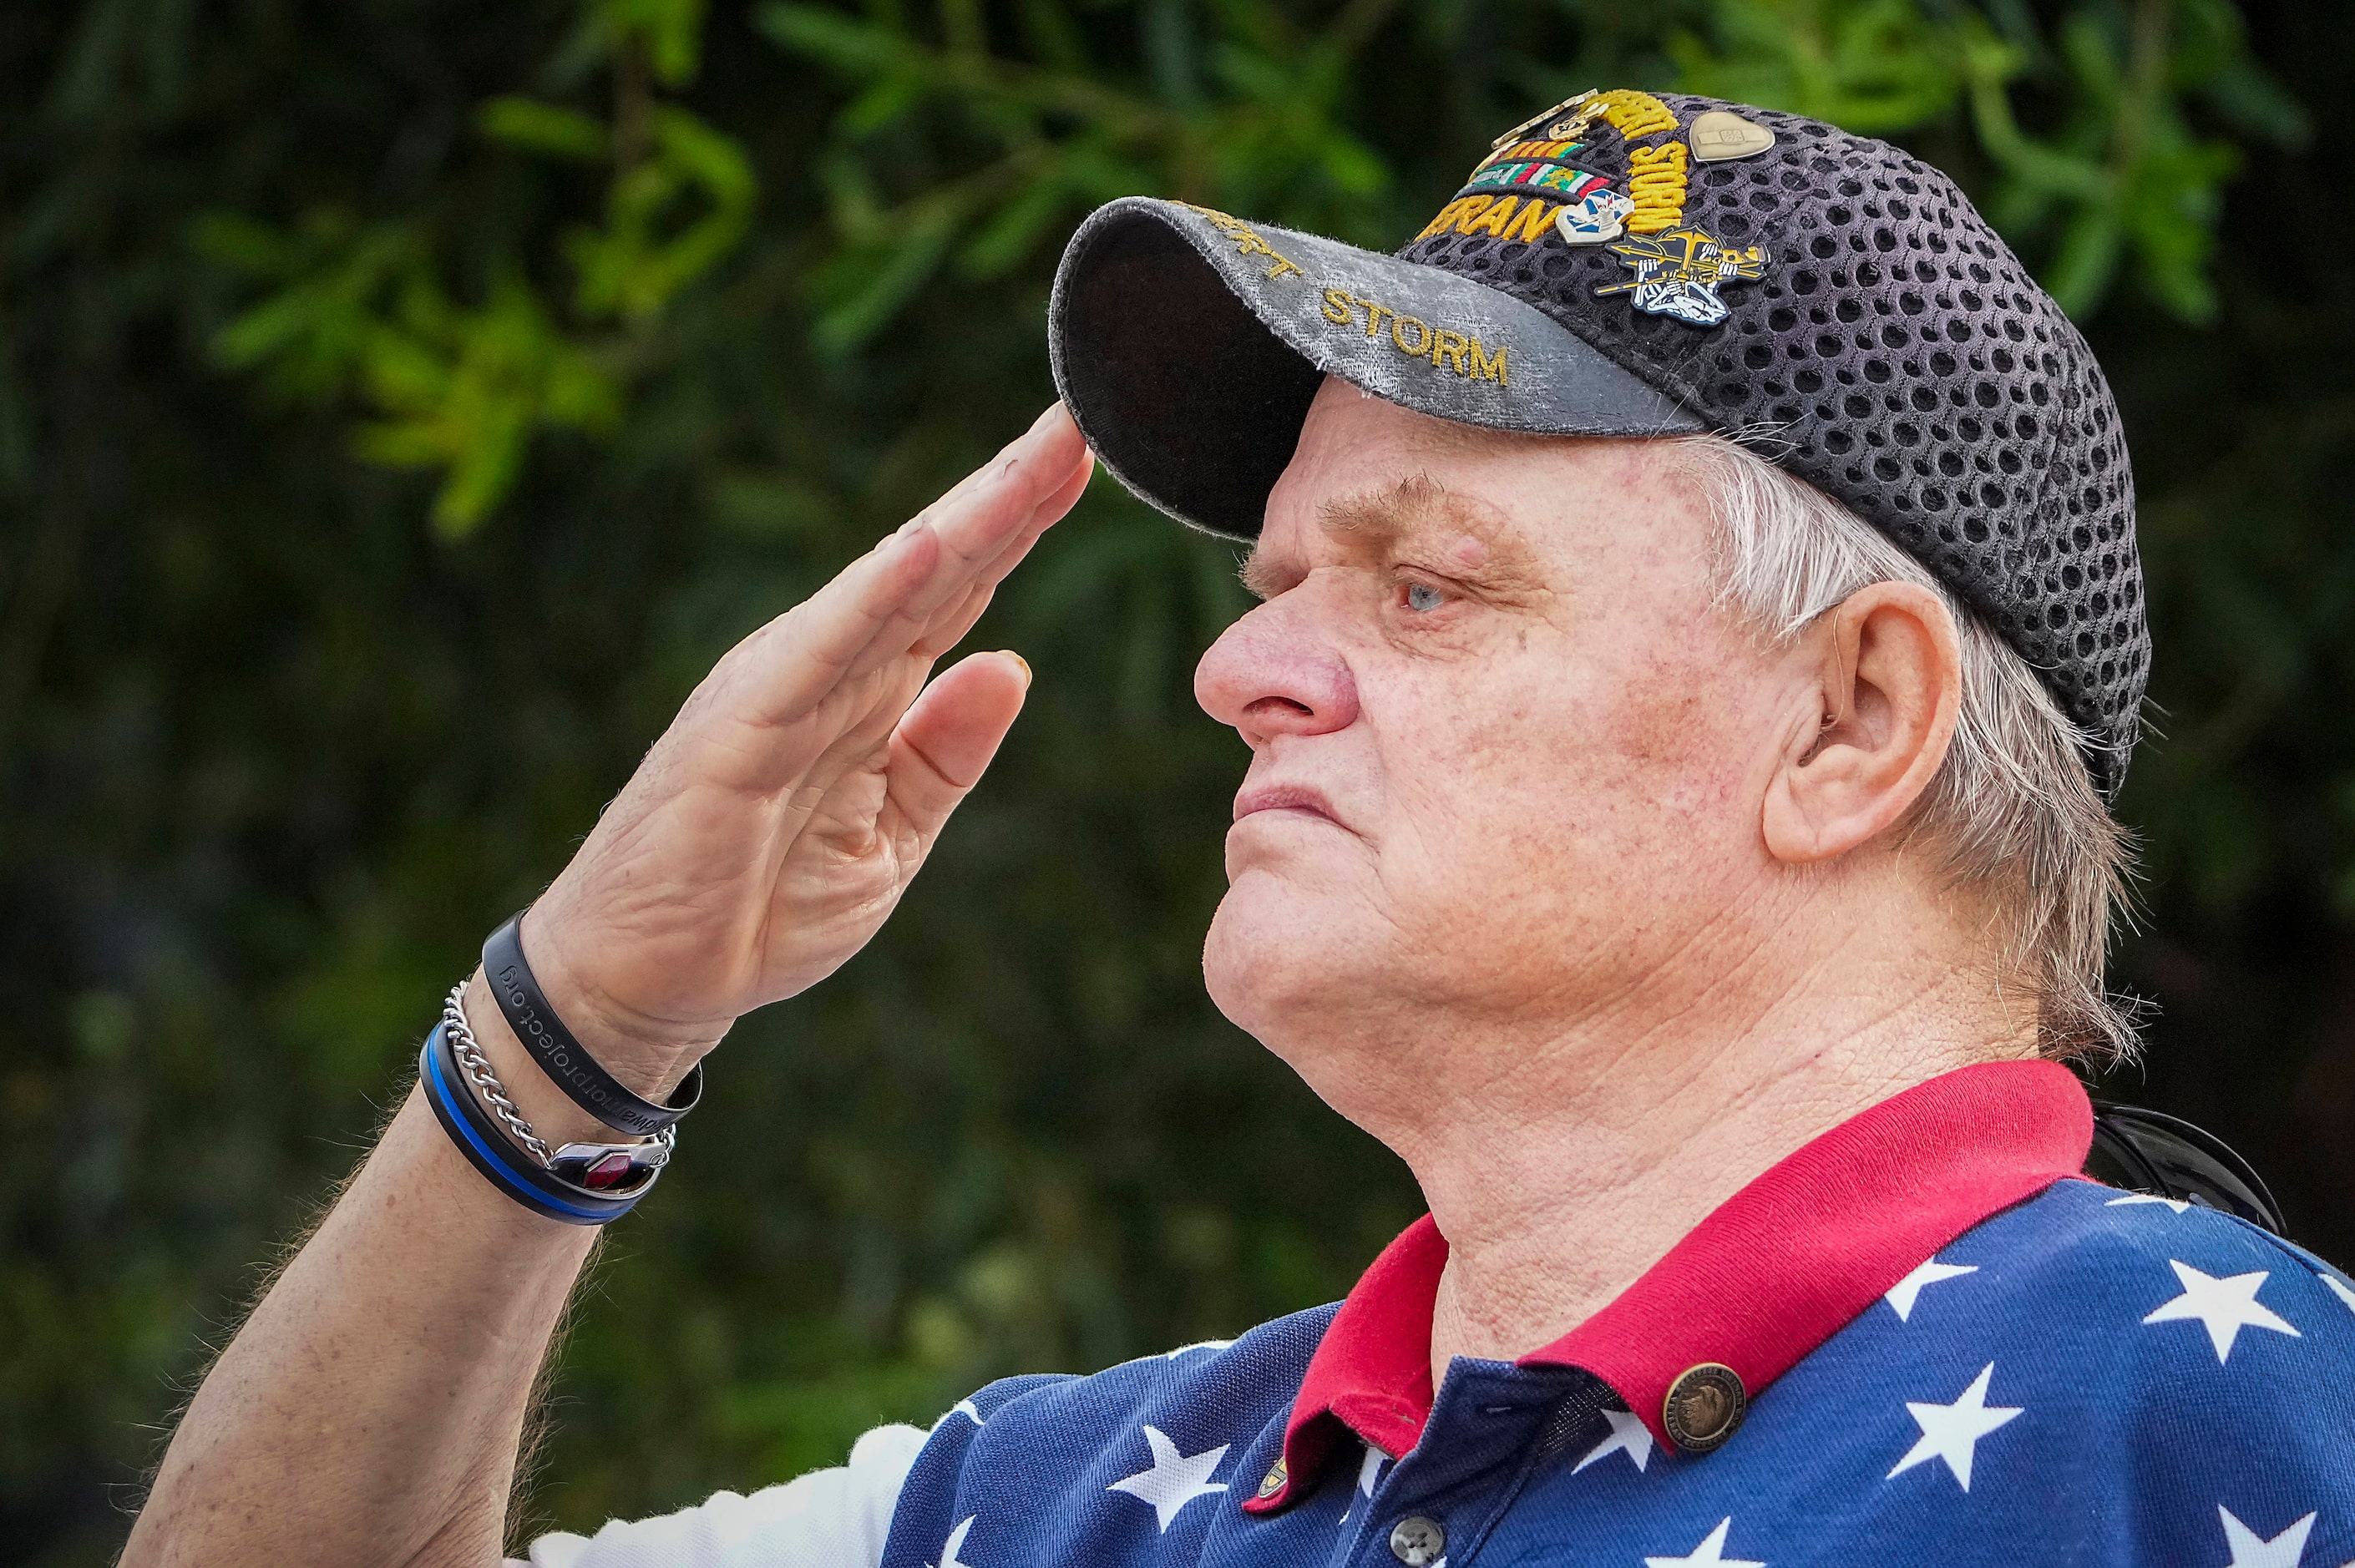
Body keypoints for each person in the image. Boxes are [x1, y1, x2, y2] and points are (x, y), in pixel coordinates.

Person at [124, 91, 2355, 1568]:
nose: (1238, 672)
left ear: (1851, 723)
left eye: (1423, 584)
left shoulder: (2208, 1417)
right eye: (1274, 586)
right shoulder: (1067, 1504)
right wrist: (579, 1026)